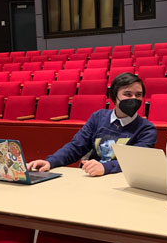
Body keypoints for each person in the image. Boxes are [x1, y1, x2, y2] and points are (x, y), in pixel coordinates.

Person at [26, 72, 157, 177]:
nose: (134, 99)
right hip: (92, 178)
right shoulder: (98, 117)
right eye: (127, 94)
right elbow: (76, 146)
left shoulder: (147, 129)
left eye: (138, 95)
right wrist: (50, 162)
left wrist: (105, 167)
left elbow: (135, 162)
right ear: (113, 96)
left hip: (121, 182)